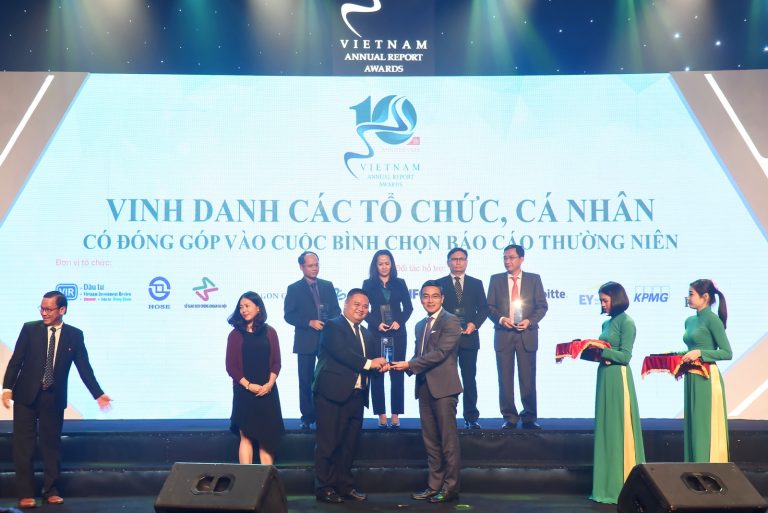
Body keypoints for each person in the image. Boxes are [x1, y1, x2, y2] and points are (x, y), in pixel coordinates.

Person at [2, 291, 111, 508]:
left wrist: (98, 393)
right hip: (25, 396)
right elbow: (16, 361)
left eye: (48, 309)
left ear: (62, 310)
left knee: (51, 446)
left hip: (53, 398)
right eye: (42, 308)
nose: (44, 313)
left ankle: (50, 491)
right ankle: (26, 494)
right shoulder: (30, 329)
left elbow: (84, 367)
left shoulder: (74, 335)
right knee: (23, 446)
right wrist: (7, 388)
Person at [313, 289, 388, 504]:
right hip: (331, 394)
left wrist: (380, 367)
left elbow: (369, 364)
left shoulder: (366, 333)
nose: (361, 309)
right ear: (345, 304)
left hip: (357, 395)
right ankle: (325, 488)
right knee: (328, 443)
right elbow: (343, 353)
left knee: (349, 445)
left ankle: (344, 486)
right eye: (357, 304)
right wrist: (370, 363)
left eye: (365, 306)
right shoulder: (333, 326)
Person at [392, 280, 463, 503]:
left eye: (434, 296)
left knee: (448, 442)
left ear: (442, 298)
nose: (430, 300)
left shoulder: (451, 321)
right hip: (424, 387)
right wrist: (400, 365)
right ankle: (434, 486)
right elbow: (420, 355)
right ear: (421, 299)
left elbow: (440, 353)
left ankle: (450, 488)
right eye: (425, 296)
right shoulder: (420, 325)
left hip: (444, 389)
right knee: (430, 441)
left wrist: (409, 365)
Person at [589, 282, 645, 504]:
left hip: (618, 378)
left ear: (617, 299)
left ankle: (622, 487)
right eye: (601, 301)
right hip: (604, 376)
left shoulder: (627, 322)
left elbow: (625, 356)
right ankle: (605, 486)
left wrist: (602, 350)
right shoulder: (606, 322)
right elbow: (605, 353)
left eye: (605, 300)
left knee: (619, 429)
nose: (602, 304)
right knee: (606, 428)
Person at [487, 244, 548, 429]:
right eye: (505, 258)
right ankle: (509, 417)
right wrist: (501, 319)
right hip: (504, 334)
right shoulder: (496, 280)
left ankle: (529, 417)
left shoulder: (534, 279)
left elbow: (542, 306)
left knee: (528, 379)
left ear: (521, 259)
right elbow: (489, 307)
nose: (507, 261)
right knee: (505, 379)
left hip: (527, 334)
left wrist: (529, 321)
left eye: (511, 257)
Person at [225, 291, 284, 465]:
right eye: (241, 307)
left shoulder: (270, 332)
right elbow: (231, 367)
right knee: (246, 436)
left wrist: (269, 384)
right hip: (244, 391)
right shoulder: (235, 335)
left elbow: (276, 362)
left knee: (267, 439)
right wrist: (249, 385)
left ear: (258, 308)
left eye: (247, 306)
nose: (243, 310)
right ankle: (247, 480)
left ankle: (267, 480)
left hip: (268, 391)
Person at [284, 251, 341, 430]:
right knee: (305, 380)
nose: (314, 268)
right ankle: (307, 417)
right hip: (305, 340)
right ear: (301, 267)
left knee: (328, 379)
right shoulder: (294, 288)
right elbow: (288, 315)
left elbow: (337, 310)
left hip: (327, 339)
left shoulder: (327, 285)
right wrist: (309, 322)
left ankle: (326, 414)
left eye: (316, 265)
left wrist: (330, 322)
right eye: (310, 265)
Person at [437, 247, 489, 429]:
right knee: (445, 379)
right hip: (446, 339)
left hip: (469, 337)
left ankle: (471, 417)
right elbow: (435, 309)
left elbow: (484, 308)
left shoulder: (476, 283)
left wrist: (474, 324)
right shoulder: (439, 283)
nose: (458, 262)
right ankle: (445, 416)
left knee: (469, 378)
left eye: (461, 259)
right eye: (454, 259)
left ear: (466, 262)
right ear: (448, 262)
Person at [681, 278, 732, 463]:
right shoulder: (689, 321)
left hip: (706, 378)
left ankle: (707, 470)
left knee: (704, 426)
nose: (688, 298)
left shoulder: (712, 320)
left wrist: (701, 353)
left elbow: (727, 352)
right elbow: (690, 350)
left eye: (691, 294)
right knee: (693, 426)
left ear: (705, 297)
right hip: (691, 377)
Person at [362, 249, 413, 428]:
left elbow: (408, 308)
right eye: (380, 263)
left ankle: (395, 415)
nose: (384, 266)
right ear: (375, 266)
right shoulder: (368, 284)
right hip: (376, 334)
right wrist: (376, 324)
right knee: (377, 373)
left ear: (391, 264)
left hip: (397, 334)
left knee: (397, 372)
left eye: (387, 263)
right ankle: (381, 415)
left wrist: (399, 321)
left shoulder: (400, 283)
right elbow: (364, 310)